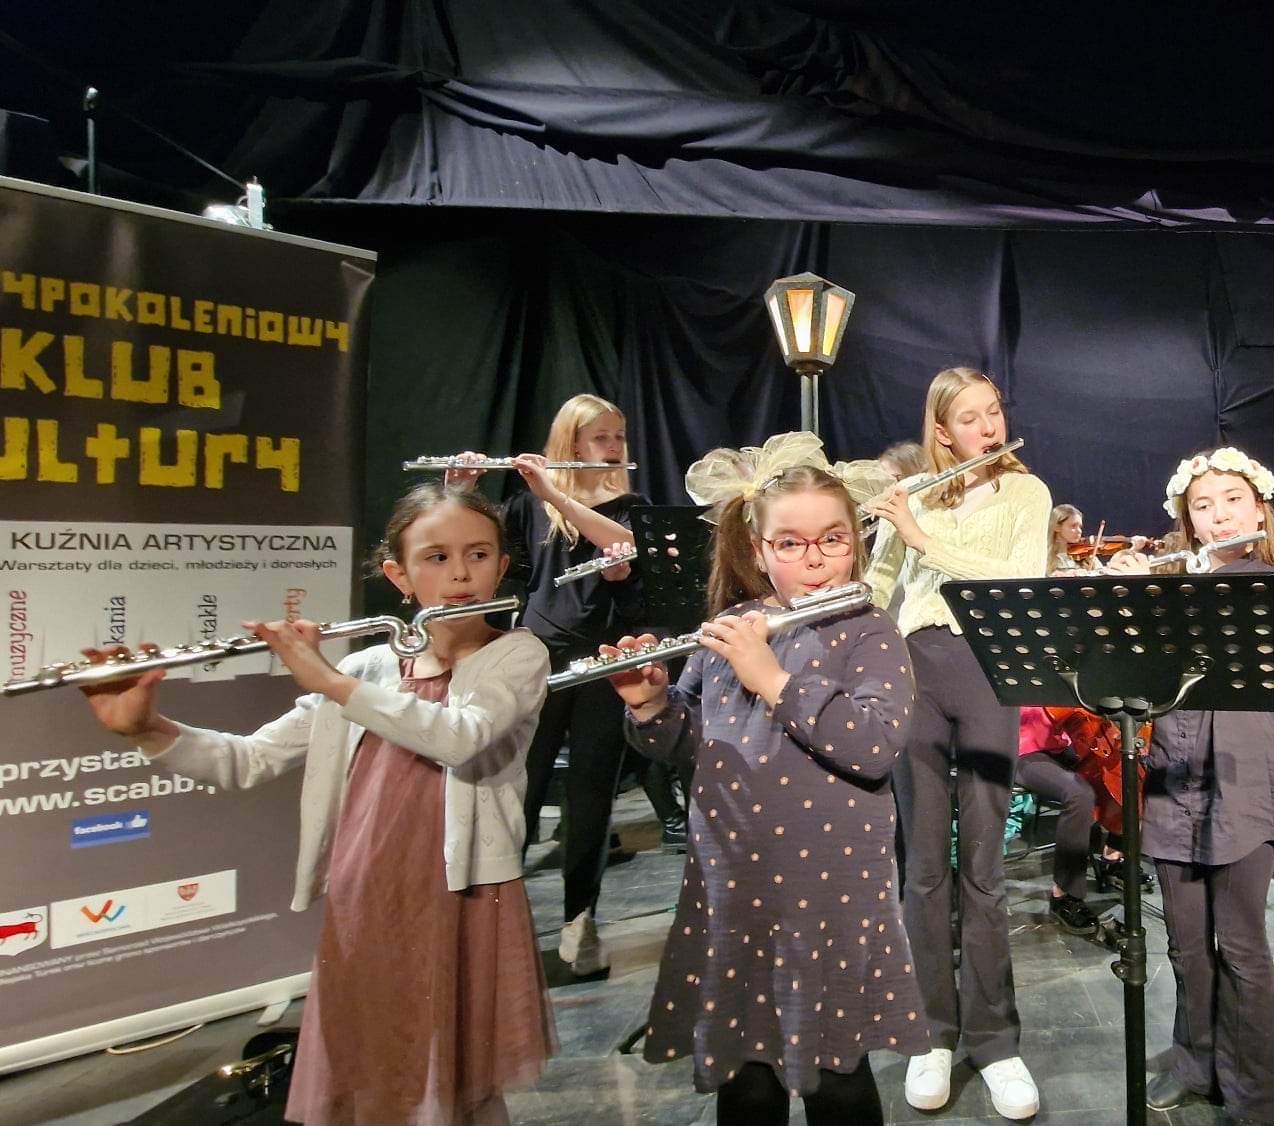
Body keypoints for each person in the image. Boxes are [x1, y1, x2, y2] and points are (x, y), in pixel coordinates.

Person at [74, 483, 556, 1124]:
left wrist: (328, 679)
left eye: (479, 554)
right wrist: (146, 729)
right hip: (368, 893)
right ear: (400, 576)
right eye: (436, 557)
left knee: (457, 1084)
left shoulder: (516, 654)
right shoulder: (368, 668)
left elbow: (458, 737)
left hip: (460, 892)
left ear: (502, 566)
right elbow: (247, 761)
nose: (461, 574)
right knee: (376, 1070)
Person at [607, 437, 924, 1126]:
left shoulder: (871, 633)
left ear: (856, 542)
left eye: (832, 539)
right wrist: (651, 705)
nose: (814, 559)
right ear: (758, 551)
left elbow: (873, 748)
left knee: (837, 1076)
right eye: (790, 544)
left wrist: (774, 680)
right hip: (737, 881)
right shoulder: (730, 628)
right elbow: (690, 746)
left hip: (833, 887)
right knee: (745, 1078)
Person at [861, 366, 1051, 1120]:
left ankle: (997, 1044)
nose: (987, 427)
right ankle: (931, 1036)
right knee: (921, 870)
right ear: (941, 430)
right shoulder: (914, 496)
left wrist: (921, 536)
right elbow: (877, 590)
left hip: (986, 672)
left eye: (992, 411)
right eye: (969, 418)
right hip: (916, 671)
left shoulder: (1026, 494)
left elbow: (1020, 578)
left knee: (983, 868)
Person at [1098, 448, 1274, 1125]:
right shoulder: (1179, 581)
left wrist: (1159, 594)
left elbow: (1232, 637)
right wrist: (1124, 600)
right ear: (1188, 519)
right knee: (1185, 946)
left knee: (1242, 948)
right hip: (1172, 776)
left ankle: (1254, 1096)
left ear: (1258, 508)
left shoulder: (1272, 583)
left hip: (1241, 781)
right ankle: (1195, 1063)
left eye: (1232, 501)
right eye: (1203, 506)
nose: (1219, 516)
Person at [447, 393, 655, 976]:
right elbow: (482, 559)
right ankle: (496, 922)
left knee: (591, 792)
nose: (613, 447)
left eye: (618, 437)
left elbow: (625, 550)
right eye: (600, 438)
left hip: (605, 663)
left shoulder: (629, 507)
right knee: (521, 786)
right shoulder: (526, 507)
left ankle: (579, 921)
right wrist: (461, 491)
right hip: (536, 659)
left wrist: (558, 496)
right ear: (571, 443)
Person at [1015, 706, 1104, 933]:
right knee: (1079, 794)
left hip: (1059, 744)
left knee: (1125, 766)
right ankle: (1064, 894)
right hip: (1022, 750)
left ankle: (1113, 855)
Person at [1047, 503, 1087, 572]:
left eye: (1080, 527)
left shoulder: (1086, 557)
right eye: (1073, 526)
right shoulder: (1045, 558)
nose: (1079, 531)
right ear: (1057, 527)